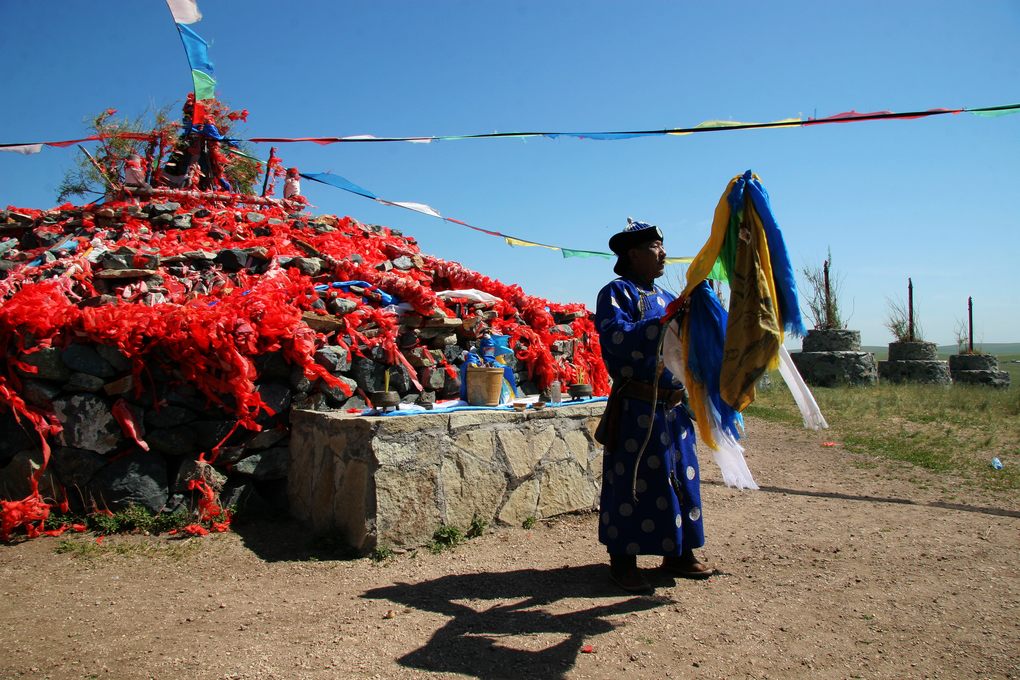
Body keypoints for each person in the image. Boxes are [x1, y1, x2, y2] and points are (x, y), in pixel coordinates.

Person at [594, 217, 713, 593]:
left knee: (680, 477)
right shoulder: (615, 293)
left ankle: (677, 553)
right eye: (654, 247)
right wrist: (662, 324)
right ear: (632, 254)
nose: (663, 253)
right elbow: (615, 338)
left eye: (662, 245)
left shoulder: (665, 297)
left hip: (673, 410)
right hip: (636, 408)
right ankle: (623, 561)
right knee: (632, 482)